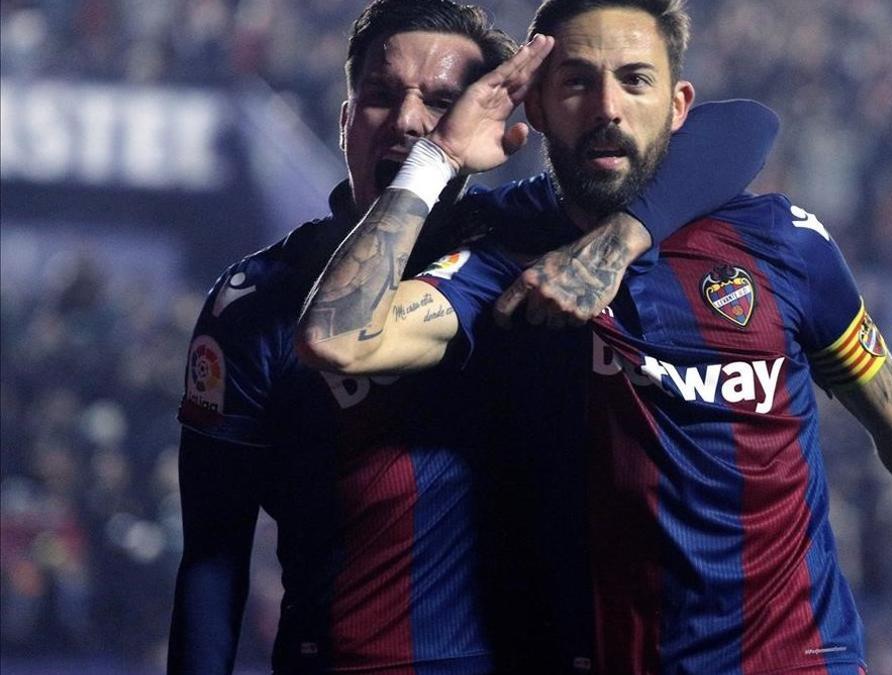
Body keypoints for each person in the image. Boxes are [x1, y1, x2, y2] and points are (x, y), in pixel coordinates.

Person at [297, 1, 892, 674]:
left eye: (635, 81)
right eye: (576, 82)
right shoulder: (502, 247)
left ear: (678, 105)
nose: (607, 108)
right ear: (535, 106)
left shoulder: (782, 243)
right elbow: (339, 337)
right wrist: (433, 160)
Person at [169, 0, 778, 672]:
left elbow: (745, 126)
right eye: (379, 95)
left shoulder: (527, 235)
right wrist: (434, 157)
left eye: (440, 101)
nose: (406, 120)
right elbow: (212, 558)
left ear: (495, 123)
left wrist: (624, 234)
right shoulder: (256, 302)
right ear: (345, 122)